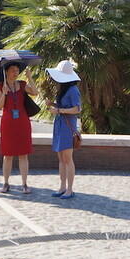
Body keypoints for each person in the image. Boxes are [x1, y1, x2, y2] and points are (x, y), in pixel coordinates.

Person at [0, 61, 34, 194]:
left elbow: (35, 92)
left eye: (17, 70)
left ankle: (25, 184)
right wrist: (4, 94)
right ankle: (5, 183)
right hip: (8, 124)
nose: (16, 73)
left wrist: (30, 77)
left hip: (22, 123)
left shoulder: (22, 85)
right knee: (8, 155)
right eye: (13, 70)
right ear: (6, 72)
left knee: (23, 154)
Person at [45, 59, 82, 199]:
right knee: (61, 158)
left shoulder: (73, 90)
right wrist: (53, 103)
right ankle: (62, 187)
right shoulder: (65, 88)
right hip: (60, 125)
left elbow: (77, 109)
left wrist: (59, 110)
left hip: (66, 127)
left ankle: (70, 189)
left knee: (67, 159)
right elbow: (67, 107)